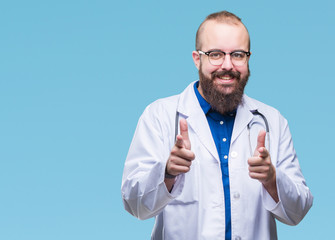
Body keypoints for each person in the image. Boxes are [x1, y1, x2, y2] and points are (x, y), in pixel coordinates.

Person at [121, 11, 313, 240]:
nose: (227, 65)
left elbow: (299, 210)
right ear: (196, 58)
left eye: (238, 55)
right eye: (215, 54)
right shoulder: (159, 116)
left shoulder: (272, 121)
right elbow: (134, 204)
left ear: (248, 59)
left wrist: (272, 179)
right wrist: (167, 173)